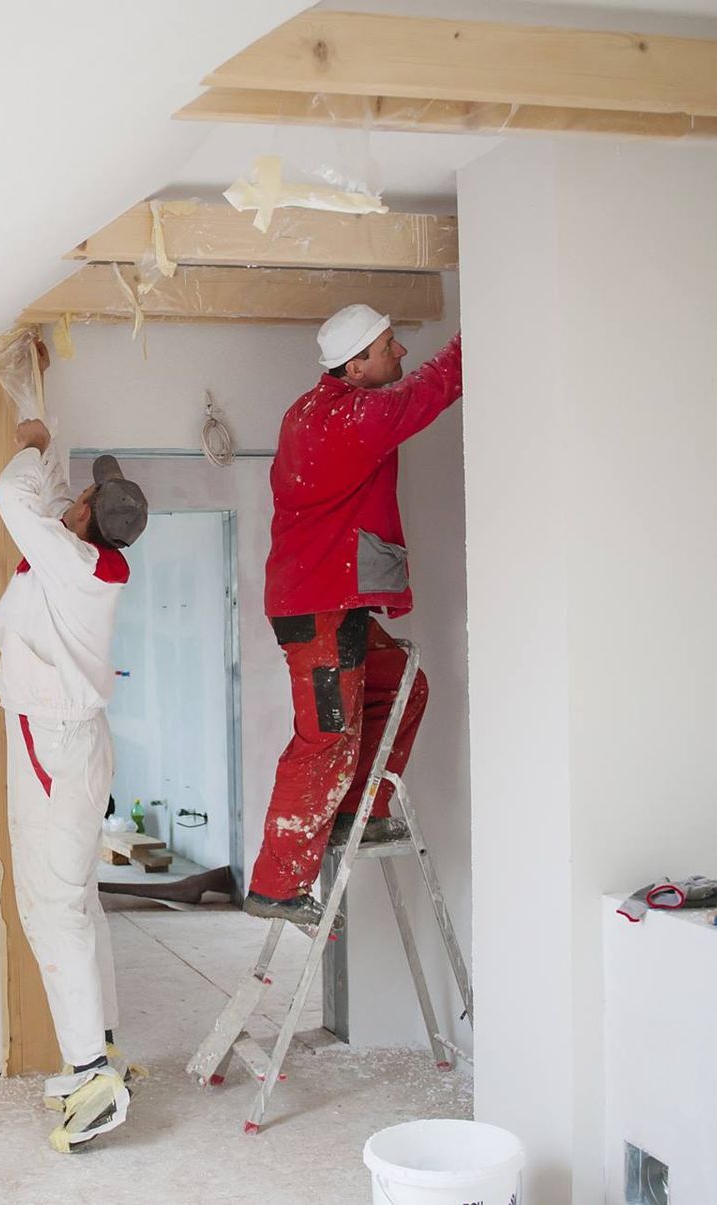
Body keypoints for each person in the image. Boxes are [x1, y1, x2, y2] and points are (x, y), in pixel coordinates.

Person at [246, 304, 462, 930]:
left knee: (403, 684)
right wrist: (478, 336)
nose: (402, 355)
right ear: (357, 362)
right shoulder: (352, 418)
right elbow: (433, 389)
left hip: (327, 600)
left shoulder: (312, 410)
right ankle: (277, 885)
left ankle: (357, 810)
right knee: (325, 739)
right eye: (390, 346)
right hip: (318, 608)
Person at [0, 415, 148, 1152]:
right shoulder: (85, 555)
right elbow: (48, 501)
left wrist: (27, 440)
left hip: (55, 746)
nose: (77, 492)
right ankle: (103, 1049)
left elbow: (14, 497)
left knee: (51, 907)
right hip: (67, 740)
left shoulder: (70, 561)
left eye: (86, 493)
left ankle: (92, 1076)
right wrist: (46, 441)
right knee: (74, 898)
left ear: (86, 521)